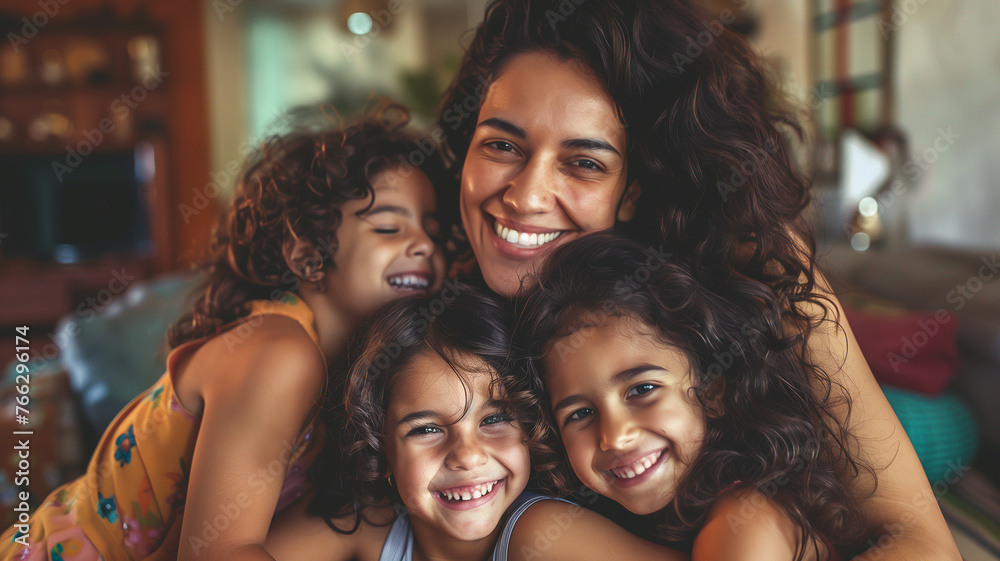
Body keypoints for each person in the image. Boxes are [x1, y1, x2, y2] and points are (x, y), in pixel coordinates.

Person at [437, 1, 960, 558]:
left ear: (636, 185)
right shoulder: (431, 274)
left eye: (584, 162)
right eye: (500, 144)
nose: (526, 195)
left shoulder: (755, 256)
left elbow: (920, 541)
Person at [1, 104, 447, 561]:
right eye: (390, 226)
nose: (424, 245)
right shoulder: (279, 352)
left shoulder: (354, 376)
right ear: (308, 256)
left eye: (434, 232)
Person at [518, 232, 873, 560]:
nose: (615, 436)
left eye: (642, 390)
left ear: (713, 390)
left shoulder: (746, 518)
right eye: (580, 414)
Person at [265, 285, 686, 561]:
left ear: (531, 430)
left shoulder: (541, 535)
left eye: (496, 419)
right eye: (425, 429)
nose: (466, 456)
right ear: (381, 450)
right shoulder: (370, 523)